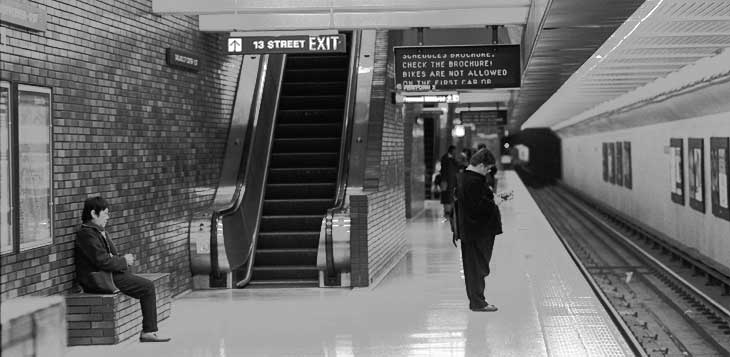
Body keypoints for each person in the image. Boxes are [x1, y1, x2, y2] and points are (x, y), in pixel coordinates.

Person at [75, 196, 171, 342]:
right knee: (147, 287)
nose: (108, 217)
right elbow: (103, 261)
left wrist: (122, 261)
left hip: (108, 275)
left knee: (141, 283)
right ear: (94, 214)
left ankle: (149, 331)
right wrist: (124, 261)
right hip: (98, 279)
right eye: (105, 213)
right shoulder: (86, 234)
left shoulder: (98, 232)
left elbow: (112, 256)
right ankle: (148, 331)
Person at [452, 149, 507, 312]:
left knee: (475, 267)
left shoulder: (466, 178)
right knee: (477, 268)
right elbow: (478, 207)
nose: (488, 171)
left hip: (473, 232)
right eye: (488, 168)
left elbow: (476, 202)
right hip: (477, 232)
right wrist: (495, 202)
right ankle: (478, 302)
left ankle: (477, 300)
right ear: (481, 165)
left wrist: (495, 198)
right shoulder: (473, 181)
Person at [439, 145, 460, 218]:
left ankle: (450, 211)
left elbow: (457, 167)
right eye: (454, 151)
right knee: (446, 196)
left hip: (452, 181)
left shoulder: (453, 159)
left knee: (451, 195)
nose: (455, 152)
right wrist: (443, 181)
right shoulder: (445, 158)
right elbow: (443, 171)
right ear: (451, 150)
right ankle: (447, 211)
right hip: (446, 180)